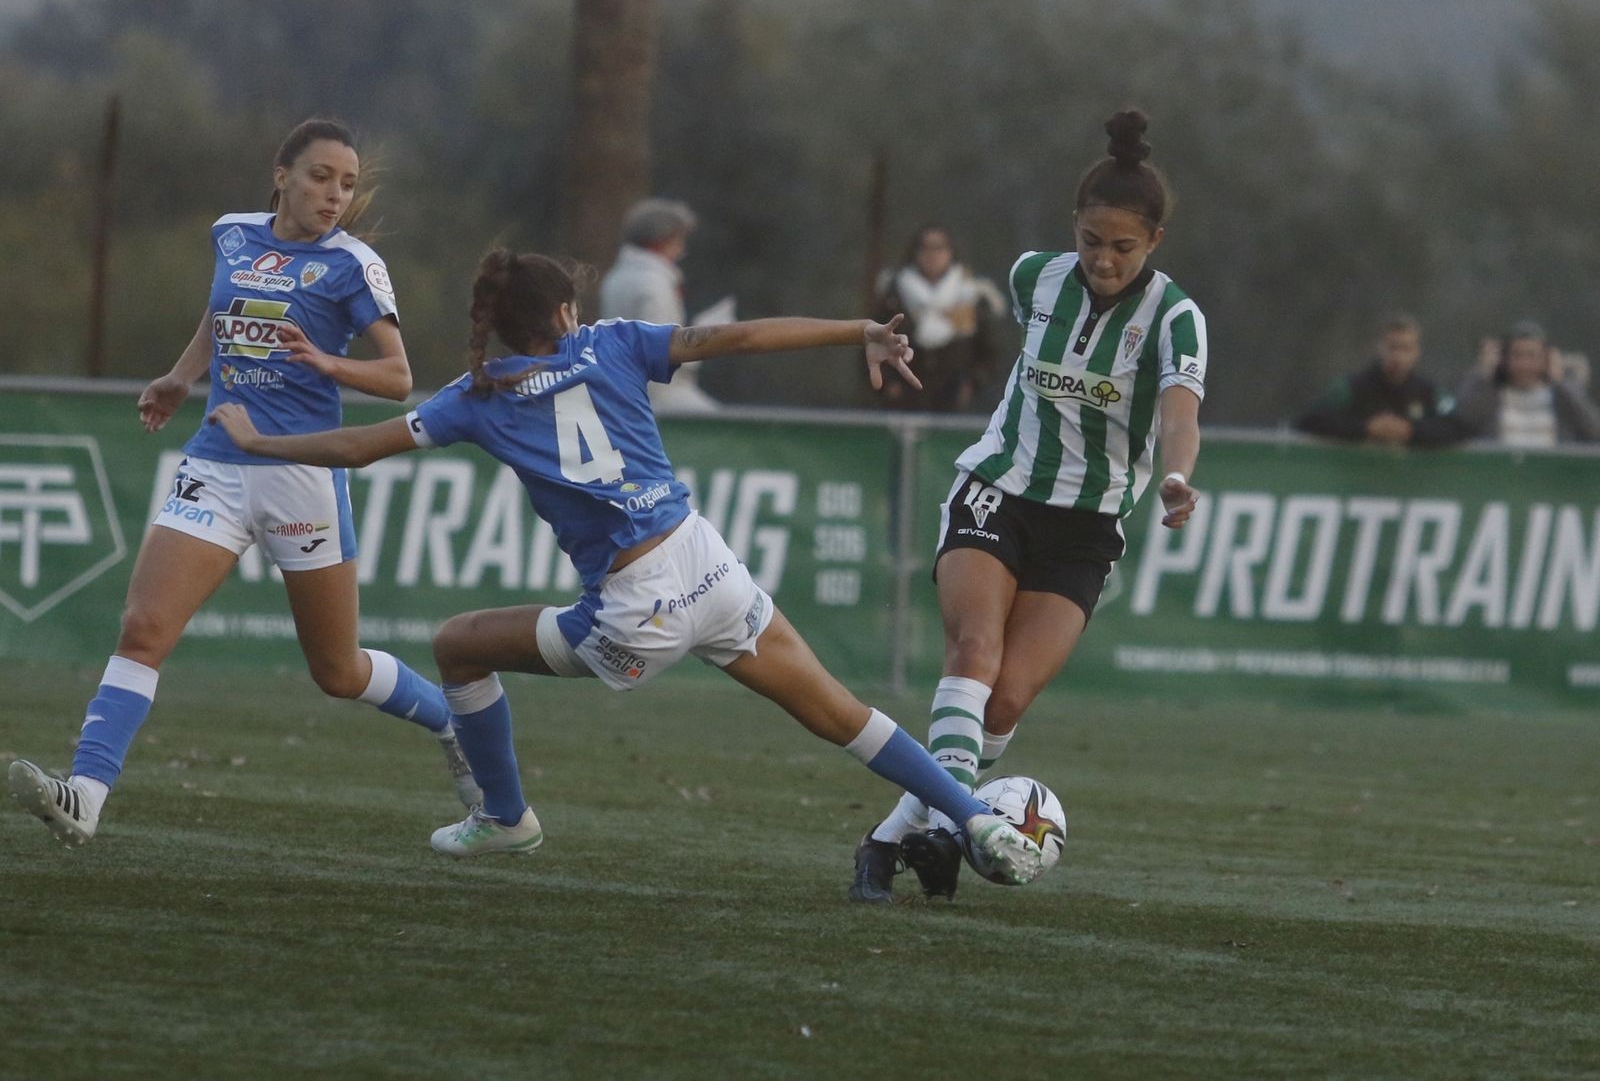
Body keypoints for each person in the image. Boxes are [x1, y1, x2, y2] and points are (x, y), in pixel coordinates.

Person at [205, 248, 1046, 885]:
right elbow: (741, 337)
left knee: (458, 645)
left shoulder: (479, 395)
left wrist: (257, 441)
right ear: (568, 311)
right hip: (708, 563)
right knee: (845, 715)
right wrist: (856, 328)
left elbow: (356, 447)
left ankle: (503, 818)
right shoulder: (611, 344)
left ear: (499, 327)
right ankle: (976, 818)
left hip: (635, 608)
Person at [8, 118, 478, 848]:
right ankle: (86, 796)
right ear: (281, 173)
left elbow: (399, 378)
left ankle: (452, 721)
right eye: (321, 177)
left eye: (347, 184)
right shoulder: (232, 234)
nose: (334, 195)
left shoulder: (352, 264)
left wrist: (329, 364)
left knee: (338, 670)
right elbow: (220, 312)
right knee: (142, 631)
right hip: (217, 462)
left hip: (301, 474)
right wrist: (179, 376)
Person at [849, 109, 1206, 903]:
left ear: (1154, 243)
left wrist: (1177, 480)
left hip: (1087, 526)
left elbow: (1180, 414)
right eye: (1091, 241)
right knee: (973, 654)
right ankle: (962, 827)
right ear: (1072, 231)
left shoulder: (1176, 319)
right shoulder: (1031, 277)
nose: (1103, 260)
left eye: (1123, 247)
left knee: (1004, 702)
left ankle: (893, 839)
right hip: (998, 489)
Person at [597, 197, 722, 414]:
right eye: (678, 240)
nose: (681, 249)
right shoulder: (654, 284)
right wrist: (708, 340)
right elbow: (663, 351)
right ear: (662, 240)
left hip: (625, 389)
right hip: (660, 395)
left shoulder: (616, 277)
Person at [873, 223, 1007, 411]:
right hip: (903, 404)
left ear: (951, 251)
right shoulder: (893, 296)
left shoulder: (970, 295)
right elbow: (874, 344)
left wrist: (972, 384)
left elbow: (990, 354)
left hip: (958, 408)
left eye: (939, 247)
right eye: (925, 247)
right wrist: (889, 384)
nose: (932, 254)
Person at [1295, 314, 1472, 446]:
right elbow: (1311, 419)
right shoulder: (1353, 388)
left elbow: (1460, 426)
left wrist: (1411, 431)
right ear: (1379, 348)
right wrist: (1366, 428)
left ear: (1416, 352)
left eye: (1405, 349)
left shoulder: (1429, 392)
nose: (1398, 356)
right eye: (1392, 347)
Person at [1454, 321, 1600, 447]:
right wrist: (1482, 375)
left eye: (1532, 356)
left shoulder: (1562, 398)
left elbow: (1593, 431)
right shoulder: (1488, 398)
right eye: (1517, 355)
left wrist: (1561, 382)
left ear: (1546, 359)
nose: (1524, 364)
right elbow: (1459, 422)